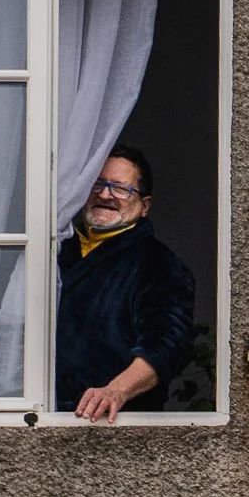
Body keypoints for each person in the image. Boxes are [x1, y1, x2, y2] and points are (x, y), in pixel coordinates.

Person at [56, 145, 194, 421]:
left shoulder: (160, 265)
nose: (105, 195)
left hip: (119, 422)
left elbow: (168, 344)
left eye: (121, 189)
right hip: (44, 415)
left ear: (144, 206)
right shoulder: (56, 249)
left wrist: (115, 391)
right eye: (98, 184)